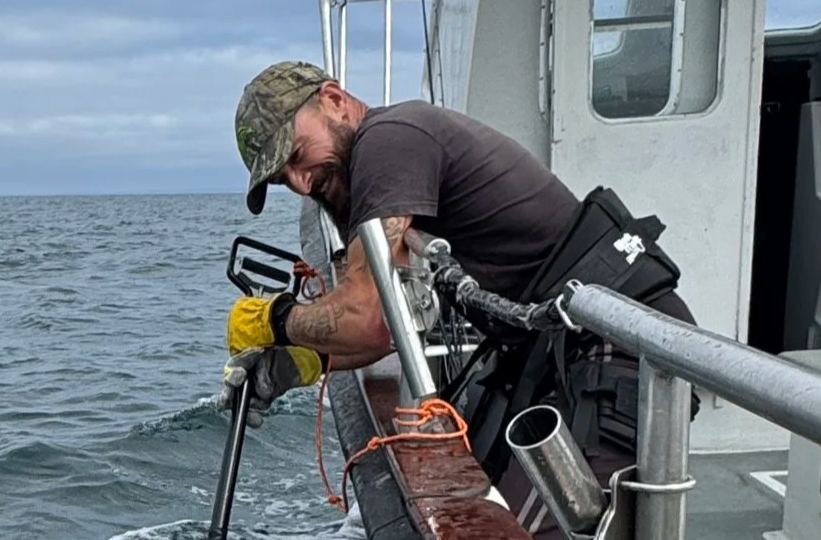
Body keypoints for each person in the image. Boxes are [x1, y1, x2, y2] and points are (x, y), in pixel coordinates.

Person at [219, 60, 686, 484]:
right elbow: (384, 323)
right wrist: (300, 362)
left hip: (620, 339)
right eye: (283, 178)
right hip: (557, 347)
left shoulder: (388, 141)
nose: (300, 182)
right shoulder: (359, 169)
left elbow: (367, 321)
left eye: (297, 154)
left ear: (335, 101)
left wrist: (277, 320)